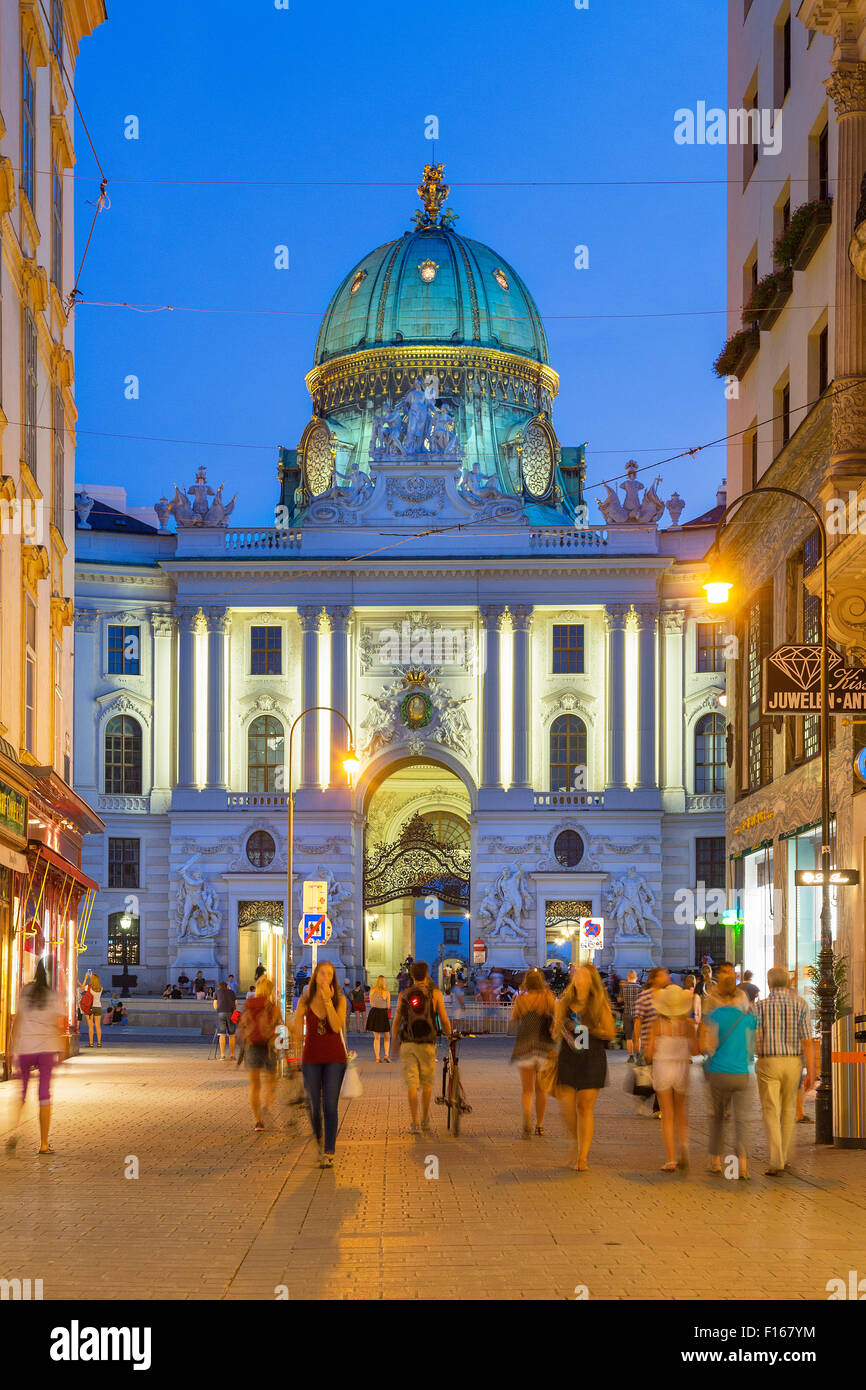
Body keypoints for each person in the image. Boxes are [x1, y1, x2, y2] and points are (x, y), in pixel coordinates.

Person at [553, 963, 615, 1170]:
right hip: (569, 1056)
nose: (578, 977)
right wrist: (560, 1027)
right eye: (577, 974)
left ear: (591, 980)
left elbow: (611, 1033)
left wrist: (590, 1030)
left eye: (583, 975)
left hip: (591, 1056)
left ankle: (583, 1157)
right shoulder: (565, 1002)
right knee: (567, 1107)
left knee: (584, 1106)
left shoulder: (598, 1003)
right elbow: (555, 1030)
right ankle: (574, 1141)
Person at [699, 961, 757, 1178]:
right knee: (741, 1120)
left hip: (718, 1071)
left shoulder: (714, 1009)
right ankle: (741, 1165)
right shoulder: (746, 1013)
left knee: (717, 1117)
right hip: (742, 1071)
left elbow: (707, 1043)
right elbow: (752, 1043)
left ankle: (715, 1161)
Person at [755, 967, 812, 1174]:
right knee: (788, 1110)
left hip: (768, 1061)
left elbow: (753, 1036)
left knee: (771, 1110)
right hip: (793, 1062)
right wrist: (812, 1072)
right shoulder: (801, 1005)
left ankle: (776, 1159)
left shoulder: (759, 1007)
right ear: (788, 983)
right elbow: (807, 1042)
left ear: (769, 984)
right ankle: (785, 1156)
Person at [7, 959, 66, 1155]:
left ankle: (14, 1131)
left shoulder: (25, 992)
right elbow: (57, 1026)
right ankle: (43, 1143)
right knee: (44, 1095)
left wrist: (11, 1048)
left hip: (25, 1046)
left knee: (22, 1092)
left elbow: (18, 1021)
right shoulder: (52, 996)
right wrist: (61, 1050)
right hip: (46, 1048)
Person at [293, 960, 348, 1167]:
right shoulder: (304, 1001)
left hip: (335, 1057)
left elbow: (335, 1026)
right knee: (314, 1105)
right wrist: (294, 1030)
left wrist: (327, 1001)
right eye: (322, 974)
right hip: (311, 1057)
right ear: (315, 976)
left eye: (329, 974)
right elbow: (298, 1030)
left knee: (330, 1105)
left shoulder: (339, 1000)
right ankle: (319, 1141)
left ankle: (329, 1151)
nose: (326, 978)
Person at [391, 960, 451, 1135]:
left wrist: (394, 1042)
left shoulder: (404, 994)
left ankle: (414, 1123)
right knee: (426, 1084)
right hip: (427, 1043)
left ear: (411, 975)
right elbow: (444, 1019)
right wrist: (449, 1036)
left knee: (412, 1084)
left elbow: (396, 1020)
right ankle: (425, 1120)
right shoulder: (435, 994)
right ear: (426, 975)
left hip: (408, 1043)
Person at [644, 984, 700, 1171]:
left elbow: (649, 1053)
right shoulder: (688, 1024)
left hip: (662, 1068)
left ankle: (670, 1160)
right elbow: (696, 1050)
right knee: (681, 1113)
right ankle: (684, 1146)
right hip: (681, 1068)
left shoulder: (656, 1024)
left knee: (667, 1115)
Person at [510, 969, 556, 1137]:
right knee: (541, 1090)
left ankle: (527, 1119)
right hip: (544, 1047)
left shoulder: (521, 1000)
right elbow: (557, 1018)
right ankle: (540, 1125)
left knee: (527, 1090)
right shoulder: (547, 998)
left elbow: (513, 1021)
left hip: (526, 1046)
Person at [239, 975, 282, 1131]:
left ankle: (258, 1121)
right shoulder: (273, 1006)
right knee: (271, 1081)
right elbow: (279, 1027)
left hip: (252, 1046)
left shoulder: (248, 1004)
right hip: (269, 1046)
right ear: (270, 990)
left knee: (254, 1086)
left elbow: (240, 1020)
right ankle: (268, 1105)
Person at [632, 967, 670, 1115]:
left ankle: (658, 1107)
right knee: (654, 1075)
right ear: (653, 978)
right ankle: (647, 1099)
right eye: (662, 975)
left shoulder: (668, 995)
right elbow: (638, 1020)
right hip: (650, 1042)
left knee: (662, 1075)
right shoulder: (645, 996)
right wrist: (637, 1040)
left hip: (666, 1042)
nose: (666, 977)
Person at [366, 975, 391, 1062]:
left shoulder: (372, 990)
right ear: (384, 982)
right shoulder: (386, 992)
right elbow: (388, 1006)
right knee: (387, 1037)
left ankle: (377, 1058)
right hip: (382, 1013)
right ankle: (386, 1055)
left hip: (373, 1013)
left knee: (376, 1038)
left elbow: (370, 1002)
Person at [618, 970, 640, 1060]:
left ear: (628, 977)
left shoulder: (623, 987)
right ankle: (638, 1054)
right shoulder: (639, 987)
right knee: (637, 1036)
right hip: (637, 1015)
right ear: (636, 978)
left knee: (629, 1037)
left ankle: (631, 1057)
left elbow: (619, 999)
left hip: (627, 1014)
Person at [214, 979, 238, 1060]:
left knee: (222, 1034)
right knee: (232, 1035)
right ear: (226, 986)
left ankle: (222, 1055)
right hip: (231, 1013)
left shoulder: (217, 992)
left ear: (219, 987)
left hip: (221, 1013)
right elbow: (236, 1004)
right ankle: (232, 1055)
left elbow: (215, 1005)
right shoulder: (231, 992)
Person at [79, 971, 104, 1049]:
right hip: (98, 1007)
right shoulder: (101, 988)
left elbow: (82, 988)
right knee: (98, 1026)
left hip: (90, 1008)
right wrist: (92, 977)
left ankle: (91, 1043)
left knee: (90, 1027)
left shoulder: (88, 987)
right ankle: (99, 1044)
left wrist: (86, 977)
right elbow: (95, 983)